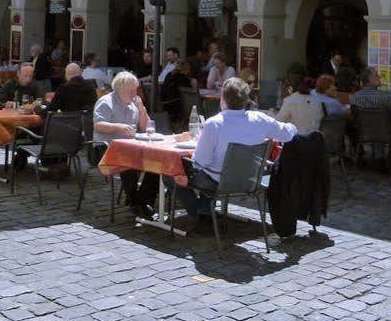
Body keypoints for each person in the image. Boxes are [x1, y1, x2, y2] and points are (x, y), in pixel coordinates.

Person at [173, 77, 297, 223]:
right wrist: (294, 126)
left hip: (219, 182)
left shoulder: (214, 124)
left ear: (223, 99)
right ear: (246, 100)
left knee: (171, 173)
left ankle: (200, 213)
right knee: (206, 170)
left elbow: (200, 162)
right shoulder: (260, 119)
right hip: (251, 181)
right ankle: (205, 210)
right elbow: (289, 133)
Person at [93, 71, 158, 217]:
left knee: (157, 161)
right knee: (127, 161)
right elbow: (98, 125)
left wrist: (142, 109)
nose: (135, 93)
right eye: (132, 90)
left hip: (131, 148)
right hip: (105, 148)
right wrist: (118, 127)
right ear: (121, 89)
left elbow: (147, 127)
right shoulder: (106, 102)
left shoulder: (134, 103)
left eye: (136, 89)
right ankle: (135, 202)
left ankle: (144, 200)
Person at [351, 67, 391, 152]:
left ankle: (378, 158)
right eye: (377, 75)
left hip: (363, 134)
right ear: (370, 79)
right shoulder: (386, 98)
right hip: (387, 136)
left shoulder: (355, 97)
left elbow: (354, 118)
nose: (380, 77)